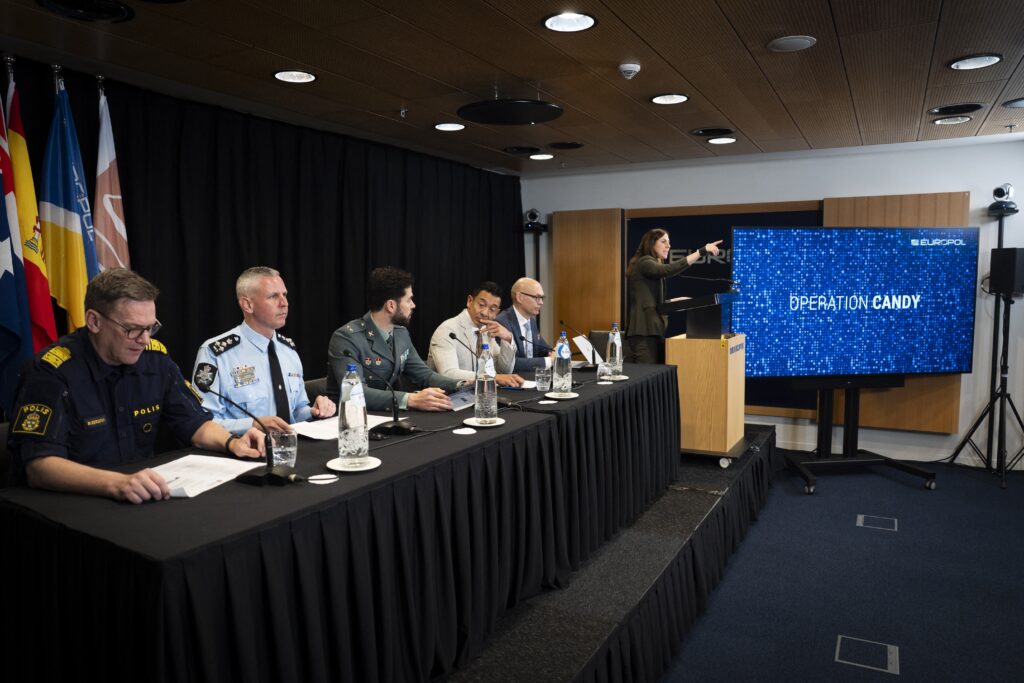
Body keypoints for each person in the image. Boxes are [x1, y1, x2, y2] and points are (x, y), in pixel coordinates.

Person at [6, 268, 265, 504]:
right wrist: (116, 483)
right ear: (94, 321)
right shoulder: (51, 373)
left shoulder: (155, 361)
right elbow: (39, 467)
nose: (144, 340)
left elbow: (193, 422)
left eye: (150, 328)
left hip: (141, 496)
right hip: (76, 504)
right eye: (132, 329)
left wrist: (232, 443)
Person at [192, 266, 336, 435]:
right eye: (273, 296)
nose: (284, 303)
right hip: (243, 448)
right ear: (248, 305)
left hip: (291, 446)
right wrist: (253, 425)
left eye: (284, 295)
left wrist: (314, 411)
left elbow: (297, 411)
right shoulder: (216, 353)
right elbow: (203, 423)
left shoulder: (288, 350)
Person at [327, 266, 460, 412]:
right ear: (391, 306)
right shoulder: (347, 338)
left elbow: (424, 375)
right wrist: (410, 399)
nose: (413, 305)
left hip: (384, 415)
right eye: (409, 300)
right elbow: (355, 393)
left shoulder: (400, 333)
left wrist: (461, 384)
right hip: (349, 418)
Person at [625, 229, 723, 363]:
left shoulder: (651, 266)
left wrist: (676, 302)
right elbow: (668, 270)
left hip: (653, 331)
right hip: (643, 332)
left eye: (669, 242)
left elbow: (651, 302)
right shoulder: (644, 262)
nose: (668, 246)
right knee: (647, 373)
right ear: (651, 243)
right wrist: (702, 251)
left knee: (658, 373)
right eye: (663, 241)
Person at [427, 281, 524, 387]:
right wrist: (494, 377)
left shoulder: (486, 332)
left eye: (492, 309)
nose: (485, 313)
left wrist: (508, 338)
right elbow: (448, 373)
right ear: (469, 301)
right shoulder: (447, 330)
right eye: (481, 305)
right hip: (449, 395)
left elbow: (503, 372)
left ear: (497, 313)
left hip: (480, 393)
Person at [496, 277, 553, 373]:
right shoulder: (502, 323)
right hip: (513, 380)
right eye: (537, 297)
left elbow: (542, 348)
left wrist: (557, 351)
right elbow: (511, 364)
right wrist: (548, 361)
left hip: (532, 378)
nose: (541, 302)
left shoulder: (531, 322)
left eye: (542, 298)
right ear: (519, 297)